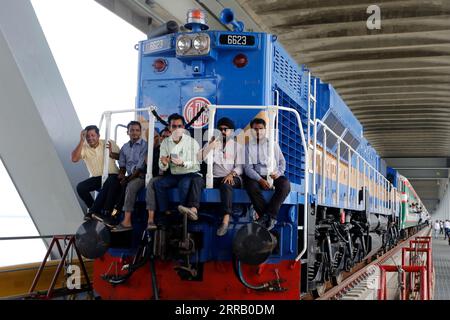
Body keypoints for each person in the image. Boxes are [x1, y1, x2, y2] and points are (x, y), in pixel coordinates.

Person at [154, 113, 204, 221]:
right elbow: (162, 167)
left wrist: (183, 163)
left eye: (179, 126)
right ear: (169, 128)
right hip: (175, 175)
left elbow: (196, 162)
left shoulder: (192, 142)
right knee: (158, 184)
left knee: (184, 184)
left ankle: (184, 214)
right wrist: (164, 163)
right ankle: (165, 212)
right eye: (174, 126)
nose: (177, 129)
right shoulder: (165, 143)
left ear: (184, 128)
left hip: (190, 173)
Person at [244, 118, 291, 231]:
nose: (258, 132)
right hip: (257, 177)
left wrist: (278, 173)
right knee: (250, 185)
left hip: (273, 176)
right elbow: (247, 168)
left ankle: (267, 216)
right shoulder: (247, 146)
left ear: (265, 130)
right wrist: (260, 180)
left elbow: (282, 162)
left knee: (285, 185)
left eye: (261, 129)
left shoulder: (273, 144)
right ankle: (268, 218)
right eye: (255, 129)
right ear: (251, 130)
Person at [199, 117, 243, 236]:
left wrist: (231, 174)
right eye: (220, 129)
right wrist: (210, 146)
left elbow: (240, 167)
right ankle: (192, 210)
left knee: (226, 184)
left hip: (232, 177)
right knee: (197, 181)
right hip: (214, 178)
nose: (223, 131)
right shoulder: (213, 144)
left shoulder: (237, 146)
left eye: (226, 129)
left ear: (232, 131)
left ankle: (225, 220)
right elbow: (202, 159)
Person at [71, 125, 121, 220]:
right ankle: (96, 211)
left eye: (93, 135)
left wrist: (111, 153)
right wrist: (81, 141)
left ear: (98, 135)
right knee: (80, 187)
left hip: (113, 175)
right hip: (97, 177)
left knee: (110, 181)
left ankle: (94, 211)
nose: (90, 138)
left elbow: (121, 158)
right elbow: (74, 159)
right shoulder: (84, 147)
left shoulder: (108, 142)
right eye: (88, 136)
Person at [112, 121, 148, 232]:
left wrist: (127, 179)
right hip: (129, 175)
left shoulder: (145, 145)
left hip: (141, 176)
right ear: (127, 132)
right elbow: (122, 164)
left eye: (137, 130)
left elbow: (140, 167)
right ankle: (110, 214)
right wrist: (122, 175)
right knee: (113, 183)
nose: (134, 132)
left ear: (141, 132)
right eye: (132, 130)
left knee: (130, 187)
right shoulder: (125, 147)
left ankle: (127, 221)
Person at [145, 127, 171, 230]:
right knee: (152, 182)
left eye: (167, 137)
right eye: (163, 136)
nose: (164, 138)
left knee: (154, 182)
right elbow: (149, 165)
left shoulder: (174, 149)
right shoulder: (155, 150)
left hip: (170, 177)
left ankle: (163, 215)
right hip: (158, 177)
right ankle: (150, 219)